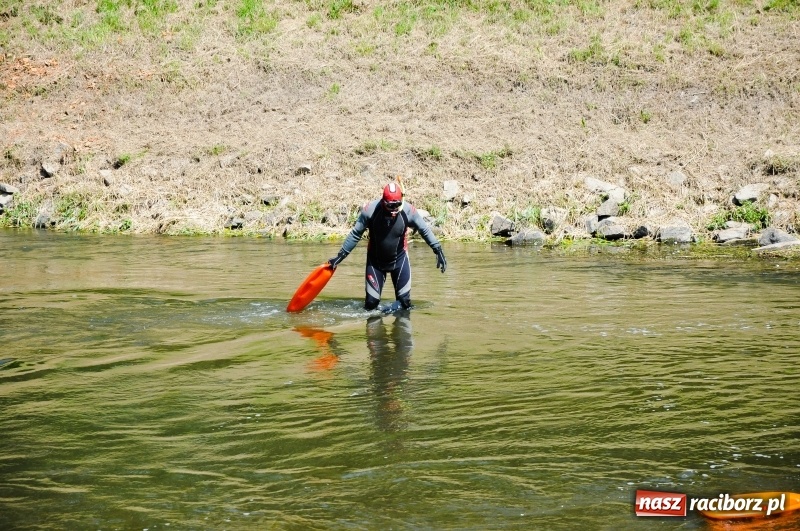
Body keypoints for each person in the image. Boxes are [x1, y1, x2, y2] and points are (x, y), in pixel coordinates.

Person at [327, 181, 446, 311]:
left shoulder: (408, 210)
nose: (394, 211)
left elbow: (425, 230)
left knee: (405, 304)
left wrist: (438, 250)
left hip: (400, 261)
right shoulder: (370, 210)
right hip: (375, 263)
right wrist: (340, 256)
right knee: (371, 305)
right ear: (383, 202)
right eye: (390, 206)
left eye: (397, 206)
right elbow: (356, 234)